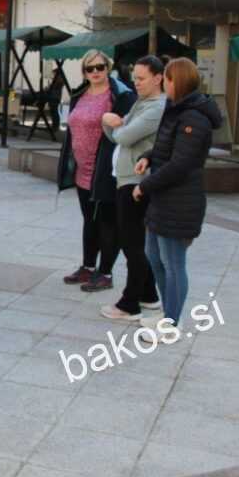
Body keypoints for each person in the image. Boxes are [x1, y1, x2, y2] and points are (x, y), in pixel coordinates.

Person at [134, 57, 223, 335]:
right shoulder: (176, 109)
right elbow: (166, 147)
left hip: (180, 201)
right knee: (154, 256)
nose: (164, 82)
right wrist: (148, 157)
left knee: (173, 263)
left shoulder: (194, 118)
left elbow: (181, 164)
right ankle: (168, 312)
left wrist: (145, 186)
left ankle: (172, 323)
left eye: (167, 78)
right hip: (164, 199)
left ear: (178, 81)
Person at [57, 50, 135, 293]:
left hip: (105, 170)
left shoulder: (120, 95)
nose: (95, 72)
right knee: (89, 221)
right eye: (89, 68)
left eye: (100, 67)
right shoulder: (79, 93)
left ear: (108, 67)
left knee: (107, 222)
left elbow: (128, 127)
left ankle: (106, 273)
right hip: (82, 169)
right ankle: (88, 267)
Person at [100, 56, 166, 322]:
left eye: (141, 78)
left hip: (137, 182)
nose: (136, 83)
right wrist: (110, 122)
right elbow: (114, 134)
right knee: (134, 241)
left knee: (132, 244)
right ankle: (148, 295)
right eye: (134, 78)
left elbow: (125, 136)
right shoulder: (141, 102)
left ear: (158, 78)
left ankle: (129, 304)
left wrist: (115, 123)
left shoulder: (157, 107)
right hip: (125, 178)